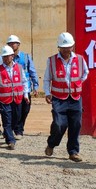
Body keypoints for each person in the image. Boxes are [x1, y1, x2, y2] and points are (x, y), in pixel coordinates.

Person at [44, 32, 88, 162]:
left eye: (68, 47)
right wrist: (47, 93)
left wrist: (78, 82)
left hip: (75, 98)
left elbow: (85, 72)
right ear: (59, 47)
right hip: (58, 98)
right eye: (63, 47)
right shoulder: (52, 60)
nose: (66, 50)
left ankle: (73, 152)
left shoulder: (79, 59)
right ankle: (52, 144)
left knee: (76, 124)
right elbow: (47, 79)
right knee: (59, 124)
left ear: (72, 46)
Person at [0, 46, 29, 150]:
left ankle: (8, 132)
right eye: (4, 57)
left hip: (17, 98)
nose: (5, 58)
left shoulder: (19, 67)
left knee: (16, 117)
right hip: (4, 100)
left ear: (12, 56)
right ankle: (10, 140)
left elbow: (24, 82)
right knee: (6, 119)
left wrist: (25, 95)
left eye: (7, 56)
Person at [6, 35, 39, 139]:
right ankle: (17, 130)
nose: (12, 45)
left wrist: (35, 86)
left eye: (13, 43)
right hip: (12, 90)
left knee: (25, 110)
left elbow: (32, 71)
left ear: (18, 44)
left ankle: (18, 127)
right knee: (15, 111)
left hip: (25, 89)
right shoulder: (5, 57)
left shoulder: (25, 57)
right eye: (10, 43)